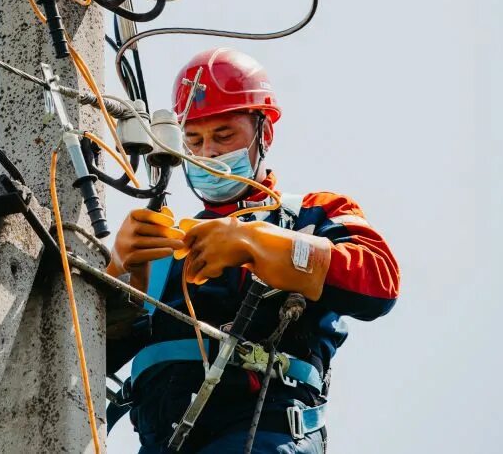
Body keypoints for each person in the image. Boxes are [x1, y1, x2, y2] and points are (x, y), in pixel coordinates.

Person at [105, 47, 400, 453]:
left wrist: (258, 242)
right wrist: (118, 274)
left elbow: (379, 280)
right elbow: (81, 359)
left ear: (265, 133)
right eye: (193, 140)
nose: (208, 152)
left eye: (224, 136)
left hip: (265, 435)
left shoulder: (312, 214)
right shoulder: (162, 250)